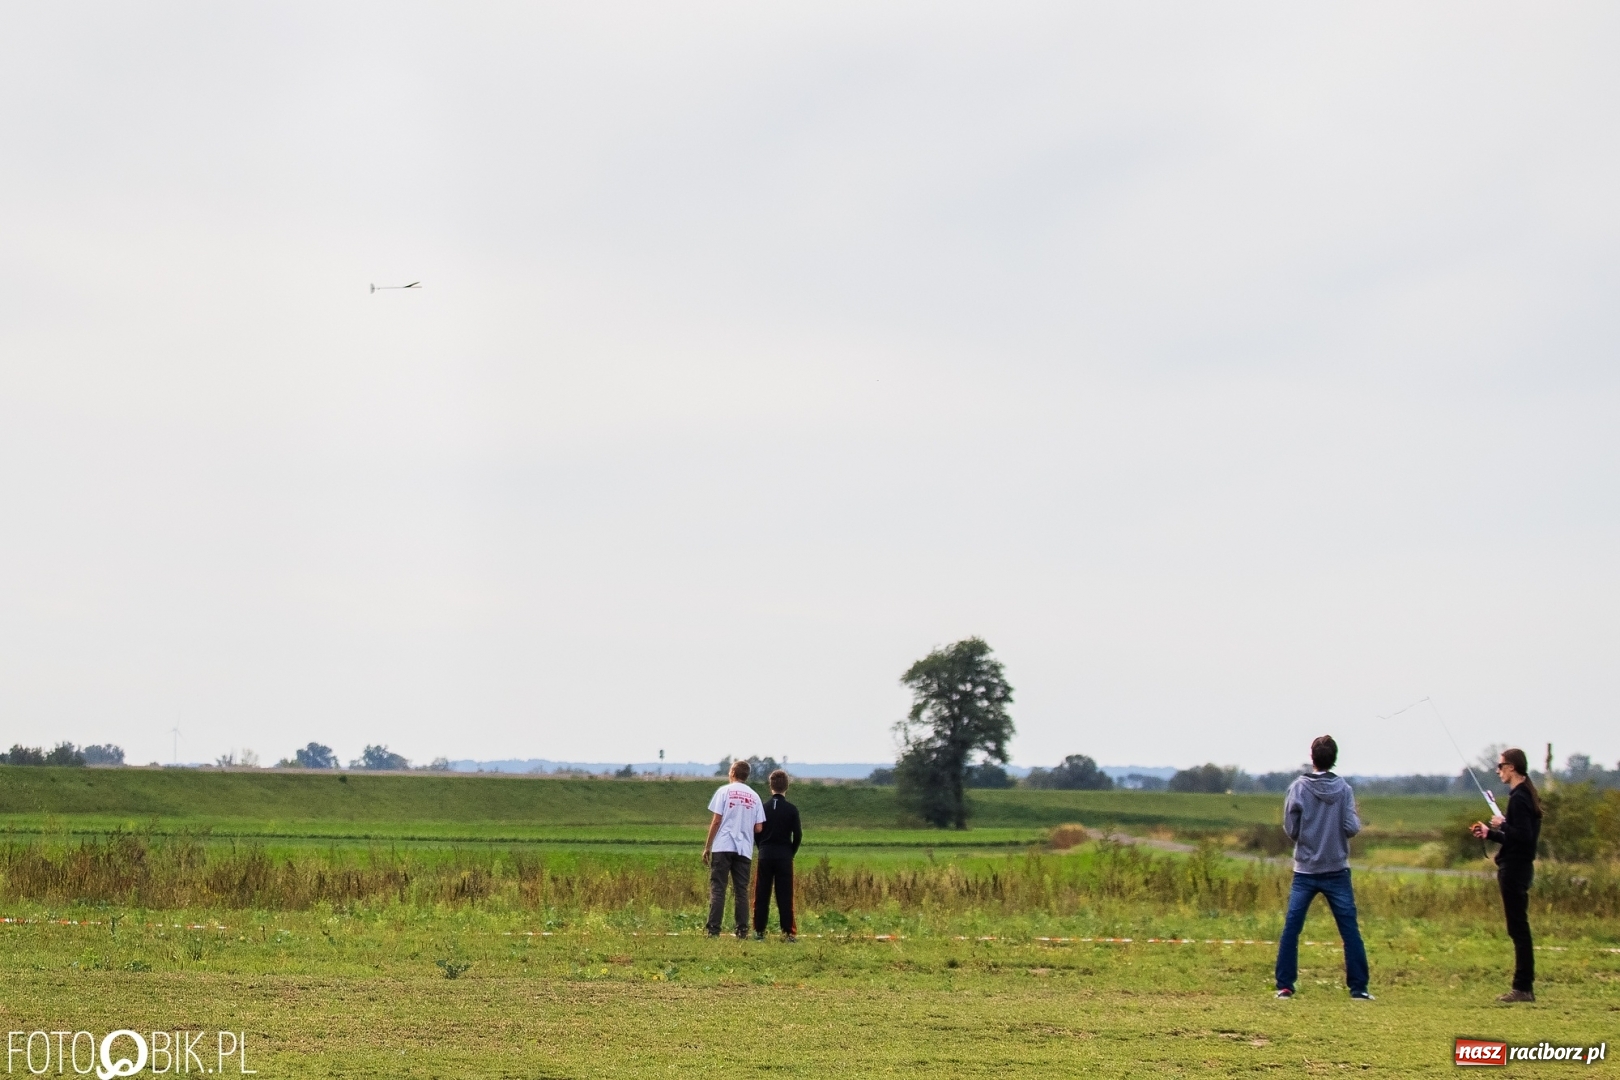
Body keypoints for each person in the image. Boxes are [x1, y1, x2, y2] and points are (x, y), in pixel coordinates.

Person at [1273, 735, 1373, 1001]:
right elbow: (1351, 827)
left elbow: (1291, 827)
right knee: (1349, 929)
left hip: (1305, 870)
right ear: (1334, 758)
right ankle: (1359, 988)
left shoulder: (1298, 788)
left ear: (1312, 757)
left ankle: (1285, 985)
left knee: (1292, 927)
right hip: (1337, 869)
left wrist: (1308, 836)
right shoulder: (1344, 789)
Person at [1471, 747, 1544, 1003]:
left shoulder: (1519, 798)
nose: (1498, 771)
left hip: (1515, 869)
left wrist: (1502, 824)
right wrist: (1490, 833)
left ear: (1512, 767)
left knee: (1518, 929)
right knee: (1517, 928)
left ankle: (1523, 987)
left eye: (1500, 766)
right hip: (1517, 867)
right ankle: (1523, 987)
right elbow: (1516, 837)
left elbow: (1523, 837)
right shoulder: (1523, 795)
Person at [702, 759, 766, 938]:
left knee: (718, 888)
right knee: (741, 891)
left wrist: (707, 846)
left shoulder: (724, 792)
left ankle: (713, 929)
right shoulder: (754, 797)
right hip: (744, 849)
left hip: (723, 846)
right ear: (747, 776)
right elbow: (759, 827)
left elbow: (716, 820)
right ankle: (742, 930)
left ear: (732, 773)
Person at [752, 769, 802, 941]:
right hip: (784, 856)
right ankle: (788, 932)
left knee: (761, 894)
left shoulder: (762, 808)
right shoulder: (791, 810)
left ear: (770, 786)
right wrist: (791, 852)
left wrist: (762, 848)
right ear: (787, 786)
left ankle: (759, 931)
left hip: (765, 855)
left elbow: (756, 832)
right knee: (785, 895)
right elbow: (798, 835)